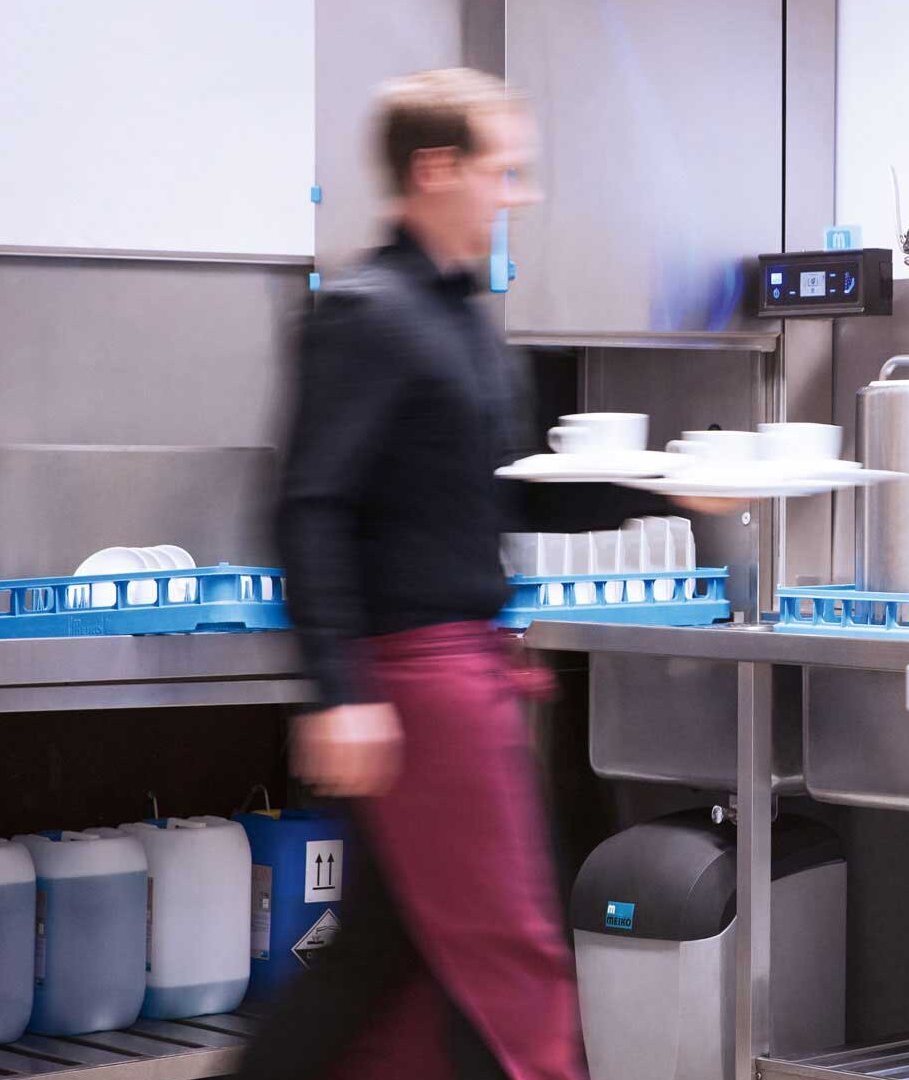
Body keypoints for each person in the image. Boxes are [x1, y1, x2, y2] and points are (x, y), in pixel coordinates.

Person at [241, 68, 638, 1080]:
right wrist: (341, 694)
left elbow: (498, 498)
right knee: (511, 959)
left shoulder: (463, 320)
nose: (522, 194)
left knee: (388, 962)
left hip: (462, 675)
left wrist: (669, 489)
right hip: (419, 686)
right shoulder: (367, 313)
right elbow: (311, 507)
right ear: (434, 169)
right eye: (505, 171)